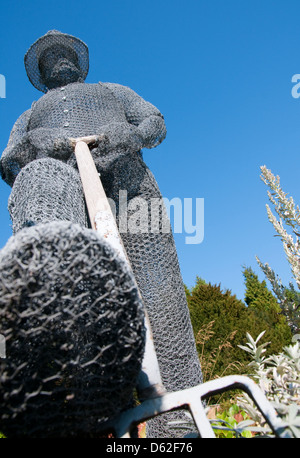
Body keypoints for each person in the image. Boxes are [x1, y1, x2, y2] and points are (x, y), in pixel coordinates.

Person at [0, 30, 202, 437]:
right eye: (49, 58)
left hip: (127, 183)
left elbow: (154, 120)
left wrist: (132, 135)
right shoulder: (31, 114)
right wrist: (34, 147)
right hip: (67, 182)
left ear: (76, 62)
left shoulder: (113, 91)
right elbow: (8, 161)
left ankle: (177, 422)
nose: (58, 60)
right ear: (42, 72)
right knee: (84, 300)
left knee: (158, 292)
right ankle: (39, 269)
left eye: (63, 54)